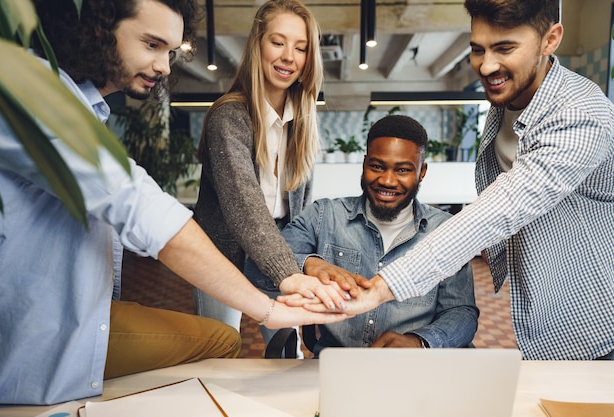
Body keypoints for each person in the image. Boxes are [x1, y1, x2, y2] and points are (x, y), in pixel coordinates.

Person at [0, 0, 351, 410]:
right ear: (99, 29)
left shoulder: (87, 108)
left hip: (88, 311)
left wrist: (299, 262)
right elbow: (157, 211)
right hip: (32, 334)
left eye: (172, 52)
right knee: (222, 341)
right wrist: (272, 301)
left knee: (273, 350)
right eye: (152, 44)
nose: (164, 66)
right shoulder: (33, 96)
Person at [283, 0, 614, 361]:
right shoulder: (508, 100)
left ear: (551, 39)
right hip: (545, 311)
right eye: (477, 49)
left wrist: (381, 289)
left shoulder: (581, 114)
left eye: (505, 48)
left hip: (595, 322)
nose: (486, 66)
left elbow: (503, 207)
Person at [192, 0, 339, 355]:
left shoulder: (302, 122)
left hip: (277, 252)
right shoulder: (230, 116)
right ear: (258, 44)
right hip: (220, 256)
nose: (289, 56)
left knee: (290, 352)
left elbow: (298, 213)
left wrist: (303, 261)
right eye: (278, 42)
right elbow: (245, 206)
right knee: (218, 350)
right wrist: (289, 274)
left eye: (300, 47)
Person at [279, 115, 479, 356]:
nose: (387, 180)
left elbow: (462, 313)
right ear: (364, 164)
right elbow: (259, 268)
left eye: (403, 170)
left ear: (422, 171)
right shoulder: (323, 216)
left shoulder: (446, 231)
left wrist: (420, 342)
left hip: (411, 367)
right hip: (339, 364)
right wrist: (309, 263)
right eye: (377, 166)